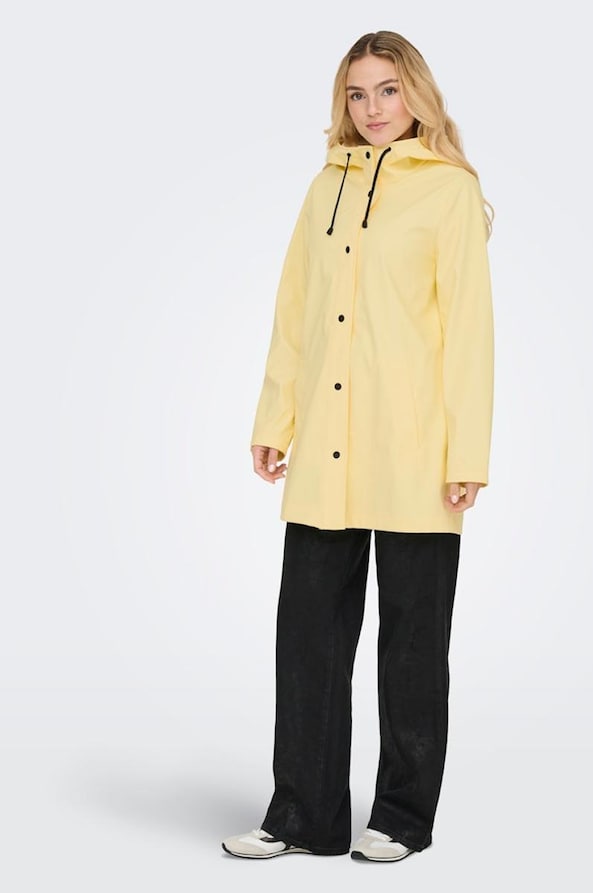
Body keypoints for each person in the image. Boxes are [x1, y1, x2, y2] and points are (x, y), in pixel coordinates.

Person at [221, 30, 495, 863]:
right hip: (326, 449)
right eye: (357, 93)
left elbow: (469, 333)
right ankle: (303, 814)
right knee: (307, 637)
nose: (372, 108)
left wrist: (467, 453)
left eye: (387, 89)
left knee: (412, 646)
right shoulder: (324, 189)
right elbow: (295, 313)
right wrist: (275, 418)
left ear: (416, 93)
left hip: (415, 451)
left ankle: (402, 817)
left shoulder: (449, 190)